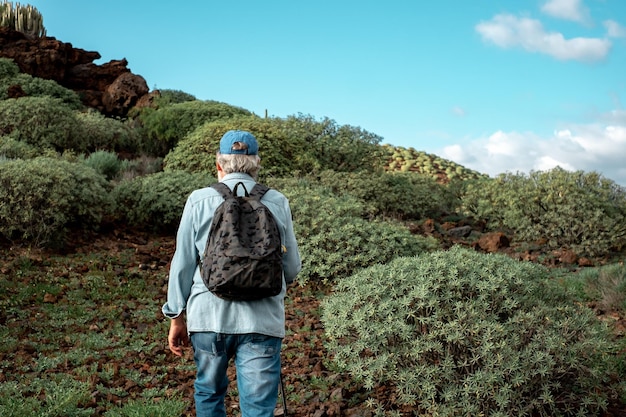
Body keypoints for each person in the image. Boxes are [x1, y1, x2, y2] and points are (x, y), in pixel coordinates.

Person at [162, 130, 301, 417]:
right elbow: (292, 267)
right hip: (262, 321)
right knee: (258, 407)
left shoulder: (199, 200)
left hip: (208, 317)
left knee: (209, 393)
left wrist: (176, 315)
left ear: (219, 164)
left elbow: (183, 263)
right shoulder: (277, 201)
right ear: (256, 163)